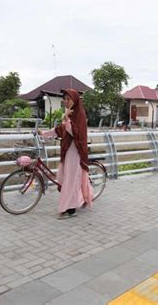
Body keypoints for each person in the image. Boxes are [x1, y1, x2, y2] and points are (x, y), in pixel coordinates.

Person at [40, 89, 94, 219]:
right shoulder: (69, 114)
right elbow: (60, 130)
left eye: (68, 99)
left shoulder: (79, 114)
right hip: (67, 152)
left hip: (75, 152)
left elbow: (76, 134)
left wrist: (66, 119)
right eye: (64, 99)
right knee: (66, 177)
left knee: (71, 180)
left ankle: (70, 209)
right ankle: (80, 199)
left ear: (74, 100)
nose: (66, 101)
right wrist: (43, 133)